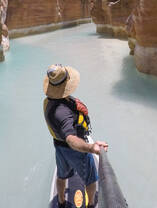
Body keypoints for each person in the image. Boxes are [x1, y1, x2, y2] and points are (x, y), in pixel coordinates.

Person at [43, 64, 108, 208]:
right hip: (74, 150)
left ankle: (61, 202)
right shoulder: (63, 112)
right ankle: (90, 204)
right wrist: (91, 147)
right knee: (91, 179)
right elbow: (71, 140)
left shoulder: (48, 102)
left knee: (61, 175)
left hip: (59, 146)